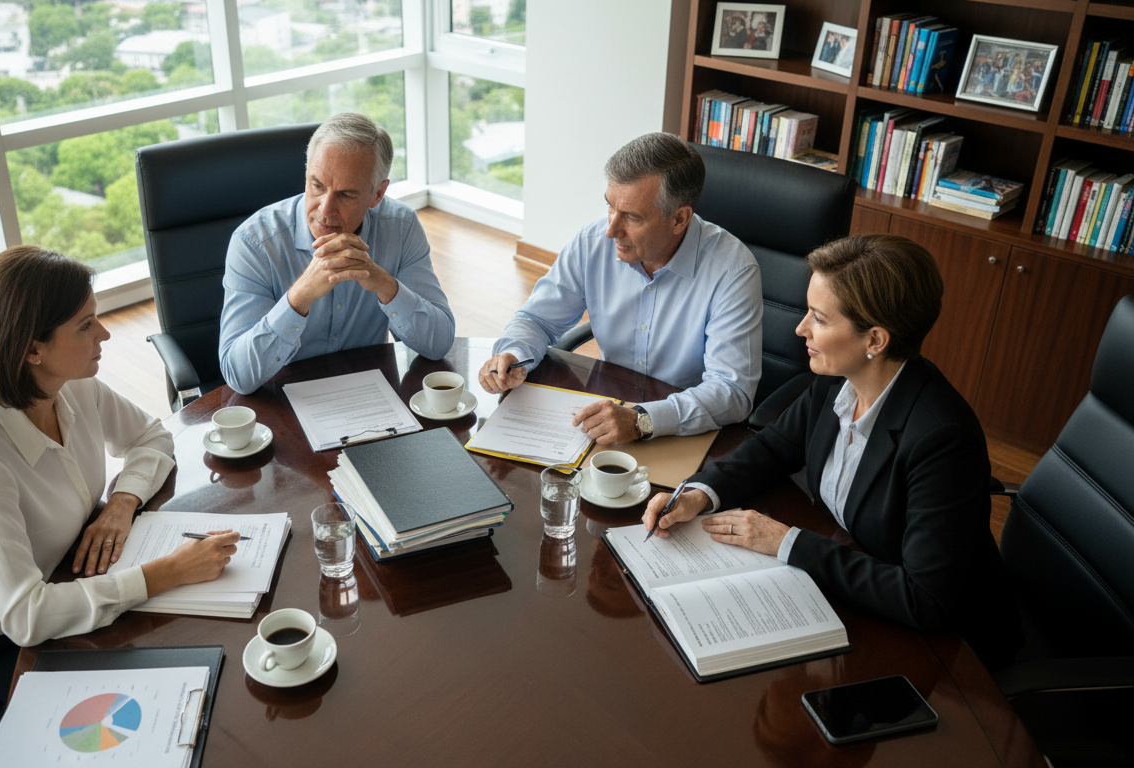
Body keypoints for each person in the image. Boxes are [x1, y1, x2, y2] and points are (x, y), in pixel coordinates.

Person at [642, 234, 1023, 668]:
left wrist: (786, 541)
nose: (800, 328)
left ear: (875, 340)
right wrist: (700, 493)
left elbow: (924, 599)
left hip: (949, 652)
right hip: (852, 579)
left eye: (819, 318)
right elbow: (774, 447)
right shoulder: (836, 379)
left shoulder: (942, 440)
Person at [0, 246, 243, 732]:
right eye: (85, 325)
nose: (105, 333)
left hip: (62, 584)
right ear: (32, 349)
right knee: (153, 713)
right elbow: (25, 616)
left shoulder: (69, 384)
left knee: (197, 670)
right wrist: (164, 573)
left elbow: (152, 436)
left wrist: (122, 504)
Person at [479, 133, 762, 444]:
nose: (611, 229)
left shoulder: (733, 271)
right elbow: (537, 319)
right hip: (606, 407)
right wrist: (513, 353)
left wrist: (643, 420)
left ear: (680, 218)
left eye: (632, 217)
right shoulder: (592, 241)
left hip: (682, 426)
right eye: (610, 207)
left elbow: (732, 392)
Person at [219, 112, 455, 394]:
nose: (325, 210)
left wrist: (384, 284)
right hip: (281, 401)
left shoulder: (401, 227)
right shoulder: (254, 242)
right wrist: (300, 296)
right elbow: (239, 376)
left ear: (378, 195)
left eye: (346, 195)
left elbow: (439, 344)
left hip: (369, 398)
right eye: (317, 186)